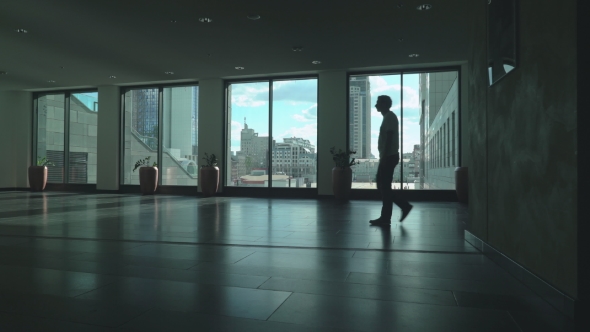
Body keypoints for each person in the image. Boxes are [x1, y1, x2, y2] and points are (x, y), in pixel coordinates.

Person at [370, 95, 413, 226]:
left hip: (388, 156)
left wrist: (384, 157)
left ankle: (389, 215)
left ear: (384, 104)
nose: (376, 105)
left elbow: (389, 137)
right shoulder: (388, 117)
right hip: (388, 156)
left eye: (378, 103)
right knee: (383, 186)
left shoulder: (389, 117)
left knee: (384, 187)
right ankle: (396, 211)